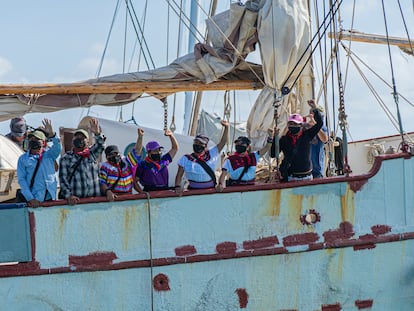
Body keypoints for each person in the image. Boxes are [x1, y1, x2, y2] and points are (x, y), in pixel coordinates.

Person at [174, 120, 229, 195]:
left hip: (210, 191)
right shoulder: (186, 158)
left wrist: (226, 127)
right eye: (196, 142)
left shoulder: (212, 154)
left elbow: (223, 142)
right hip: (192, 192)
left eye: (200, 143)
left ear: (205, 146)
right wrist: (177, 187)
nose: (197, 145)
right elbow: (179, 174)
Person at [59, 118, 105, 205]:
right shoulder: (66, 158)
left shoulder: (92, 153)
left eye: (82, 138)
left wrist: (97, 133)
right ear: (73, 142)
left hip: (94, 201)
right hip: (76, 202)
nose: (79, 140)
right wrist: (69, 196)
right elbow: (63, 180)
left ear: (88, 142)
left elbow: (101, 145)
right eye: (77, 138)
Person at [16, 119, 61, 207]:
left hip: (50, 198)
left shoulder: (49, 155)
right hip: (34, 199)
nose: (33, 140)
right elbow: (22, 180)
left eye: (37, 139)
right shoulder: (23, 159)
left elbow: (58, 147)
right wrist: (30, 198)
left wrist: (53, 135)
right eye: (31, 139)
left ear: (43, 142)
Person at [276, 99, 323, 182]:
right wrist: (274, 138)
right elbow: (273, 154)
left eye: (295, 124)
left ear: (301, 125)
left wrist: (315, 108)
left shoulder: (307, 135)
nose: (293, 126)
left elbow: (319, 124)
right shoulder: (283, 140)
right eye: (291, 123)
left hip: (307, 177)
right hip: (291, 177)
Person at [100, 129, 142, 201]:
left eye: (116, 153)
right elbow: (102, 182)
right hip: (114, 199)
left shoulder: (126, 162)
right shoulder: (105, 167)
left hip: (129, 198)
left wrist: (140, 137)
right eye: (111, 154)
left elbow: (137, 151)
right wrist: (108, 192)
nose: (114, 156)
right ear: (106, 157)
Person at [304, 106, 328, 178]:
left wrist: (315, 125)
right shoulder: (305, 127)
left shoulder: (322, 128)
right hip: (305, 170)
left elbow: (325, 139)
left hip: (317, 170)